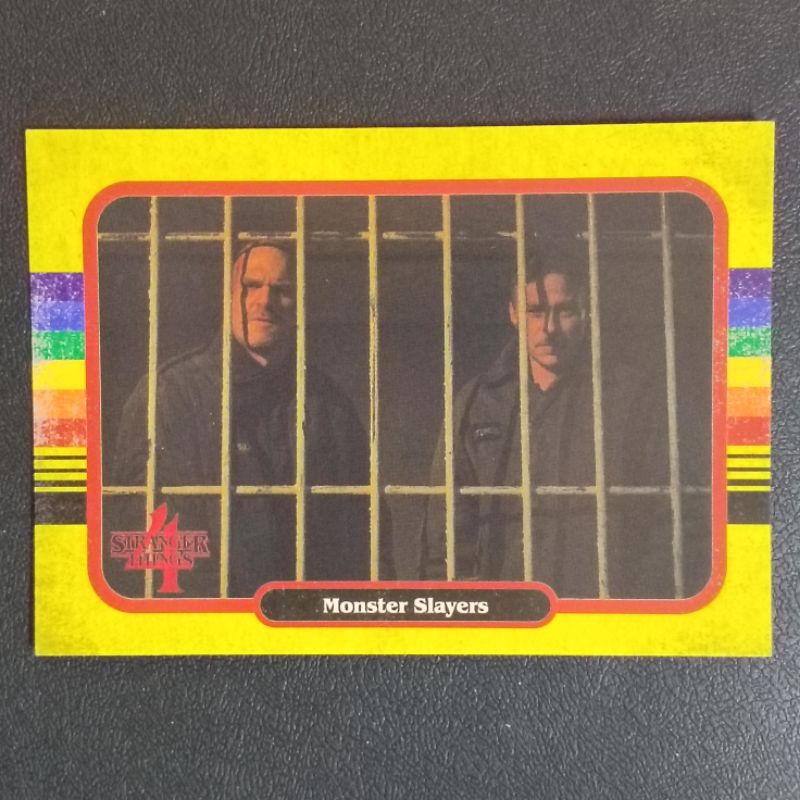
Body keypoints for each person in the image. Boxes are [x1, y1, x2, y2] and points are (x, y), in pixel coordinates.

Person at [420, 236, 710, 599]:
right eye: (535, 311)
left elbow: (679, 515)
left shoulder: (636, 398)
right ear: (513, 314)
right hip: (509, 615)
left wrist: (637, 609)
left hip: (605, 612)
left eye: (565, 311)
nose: (549, 328)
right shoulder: (479, 401)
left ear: (587, 312)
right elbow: (446, 527)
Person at [112, 242, 393, 596]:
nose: (265, 301)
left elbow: (367, 537)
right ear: (229, 296)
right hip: (210, 621)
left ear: (299, 304)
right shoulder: (171, 395)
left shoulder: (329, 406)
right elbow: (142, 539)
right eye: (251, 286)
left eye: (282, 290)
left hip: (306, 621)